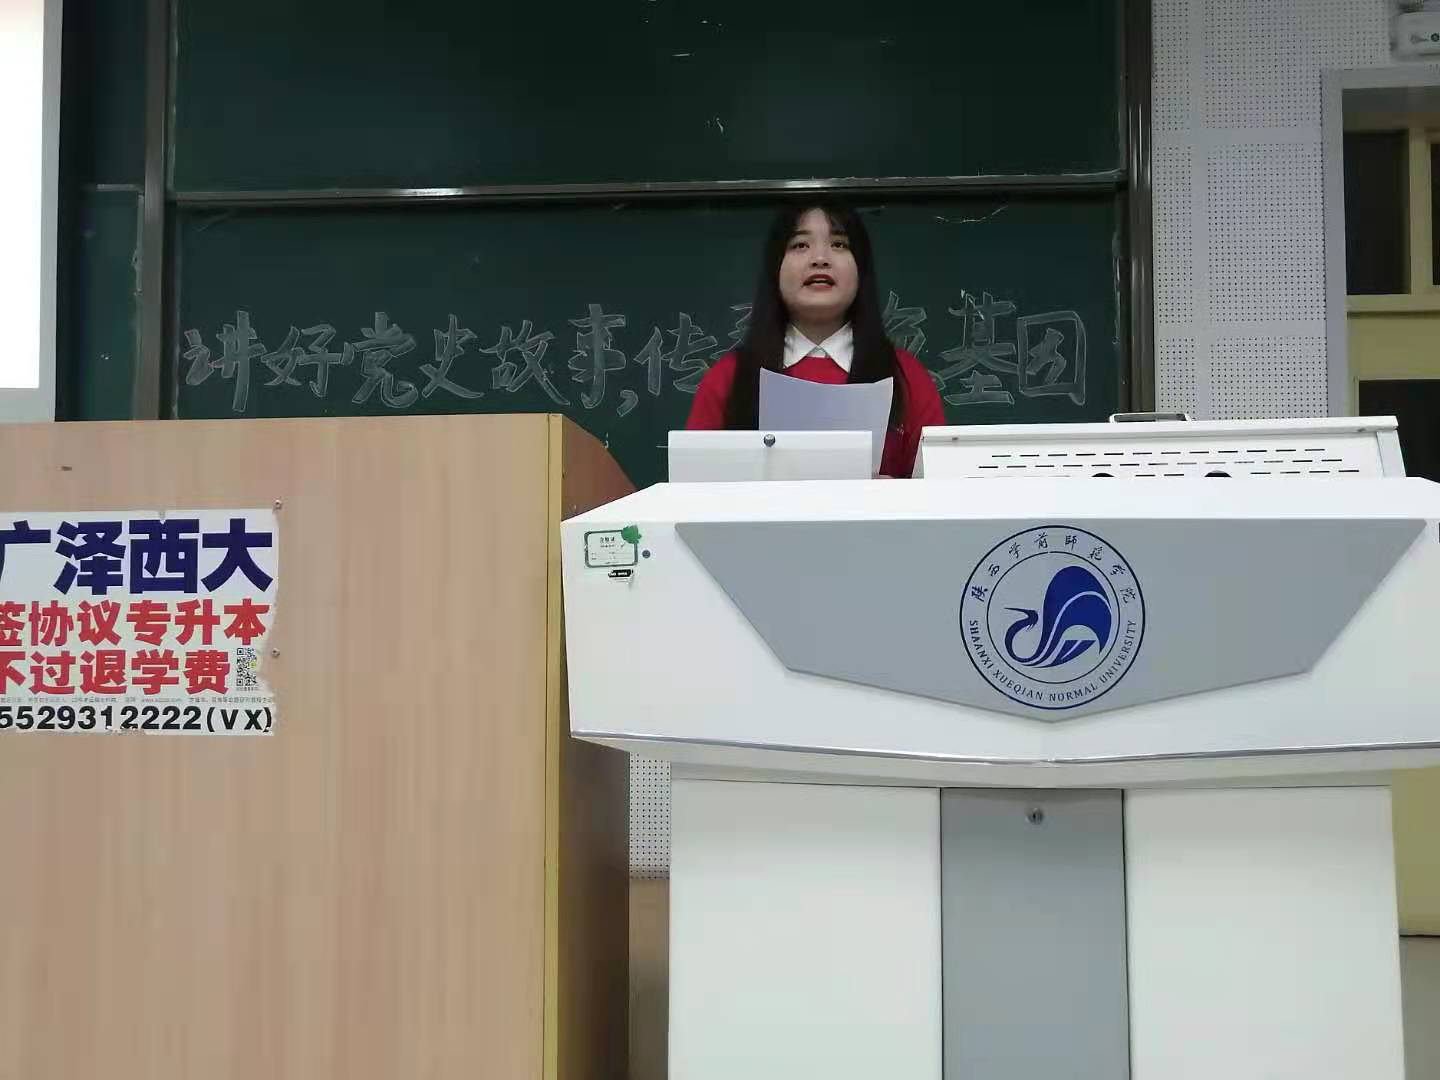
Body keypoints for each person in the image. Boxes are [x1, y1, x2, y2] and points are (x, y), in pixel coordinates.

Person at [686, 202, 946, 477]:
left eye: (839, 244)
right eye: (800, 245)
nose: (820, 258)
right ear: (776, 268)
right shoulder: (730, 377)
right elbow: (690, 485)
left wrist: (892, 491)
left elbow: (942, 487)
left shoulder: (905, 376)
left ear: (861, 269)